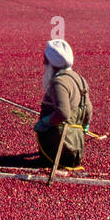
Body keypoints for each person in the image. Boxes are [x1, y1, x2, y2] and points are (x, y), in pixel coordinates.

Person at [34, 38, 93, 169]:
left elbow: (63, 113)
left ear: (51, 63)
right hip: (76, 144)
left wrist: (45, 123)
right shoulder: (80, 79)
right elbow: (88, 109)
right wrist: (85, 125)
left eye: (45, 59)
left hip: (60, 146)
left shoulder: (59, 82)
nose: (43, 62)